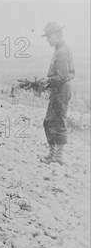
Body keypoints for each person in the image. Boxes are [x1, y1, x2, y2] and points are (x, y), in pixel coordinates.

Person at [40, 22, 75, 165]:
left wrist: (47, 81)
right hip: (59, 90)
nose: (47, 39)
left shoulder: (61, 52)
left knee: (57, 121)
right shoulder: (61, 49)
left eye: (49, 36)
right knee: (49, 121)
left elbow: (62, 76)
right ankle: (53, 154)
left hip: (61, 90)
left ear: (56, 35)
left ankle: (58, 157)